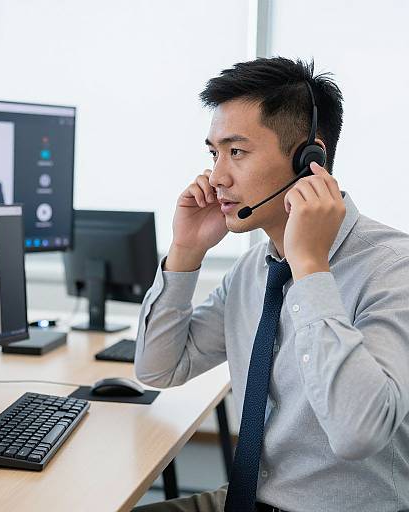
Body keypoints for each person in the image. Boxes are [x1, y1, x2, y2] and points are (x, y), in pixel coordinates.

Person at [133, 58, 409, 512]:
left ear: (309, 160)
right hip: (246, 502)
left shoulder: (391, 270)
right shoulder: (253, 270)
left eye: (236, 152)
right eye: (213, 153)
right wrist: (185, 252)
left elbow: (357, 432)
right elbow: (159, 368)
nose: (217, 176)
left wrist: (310, 268)